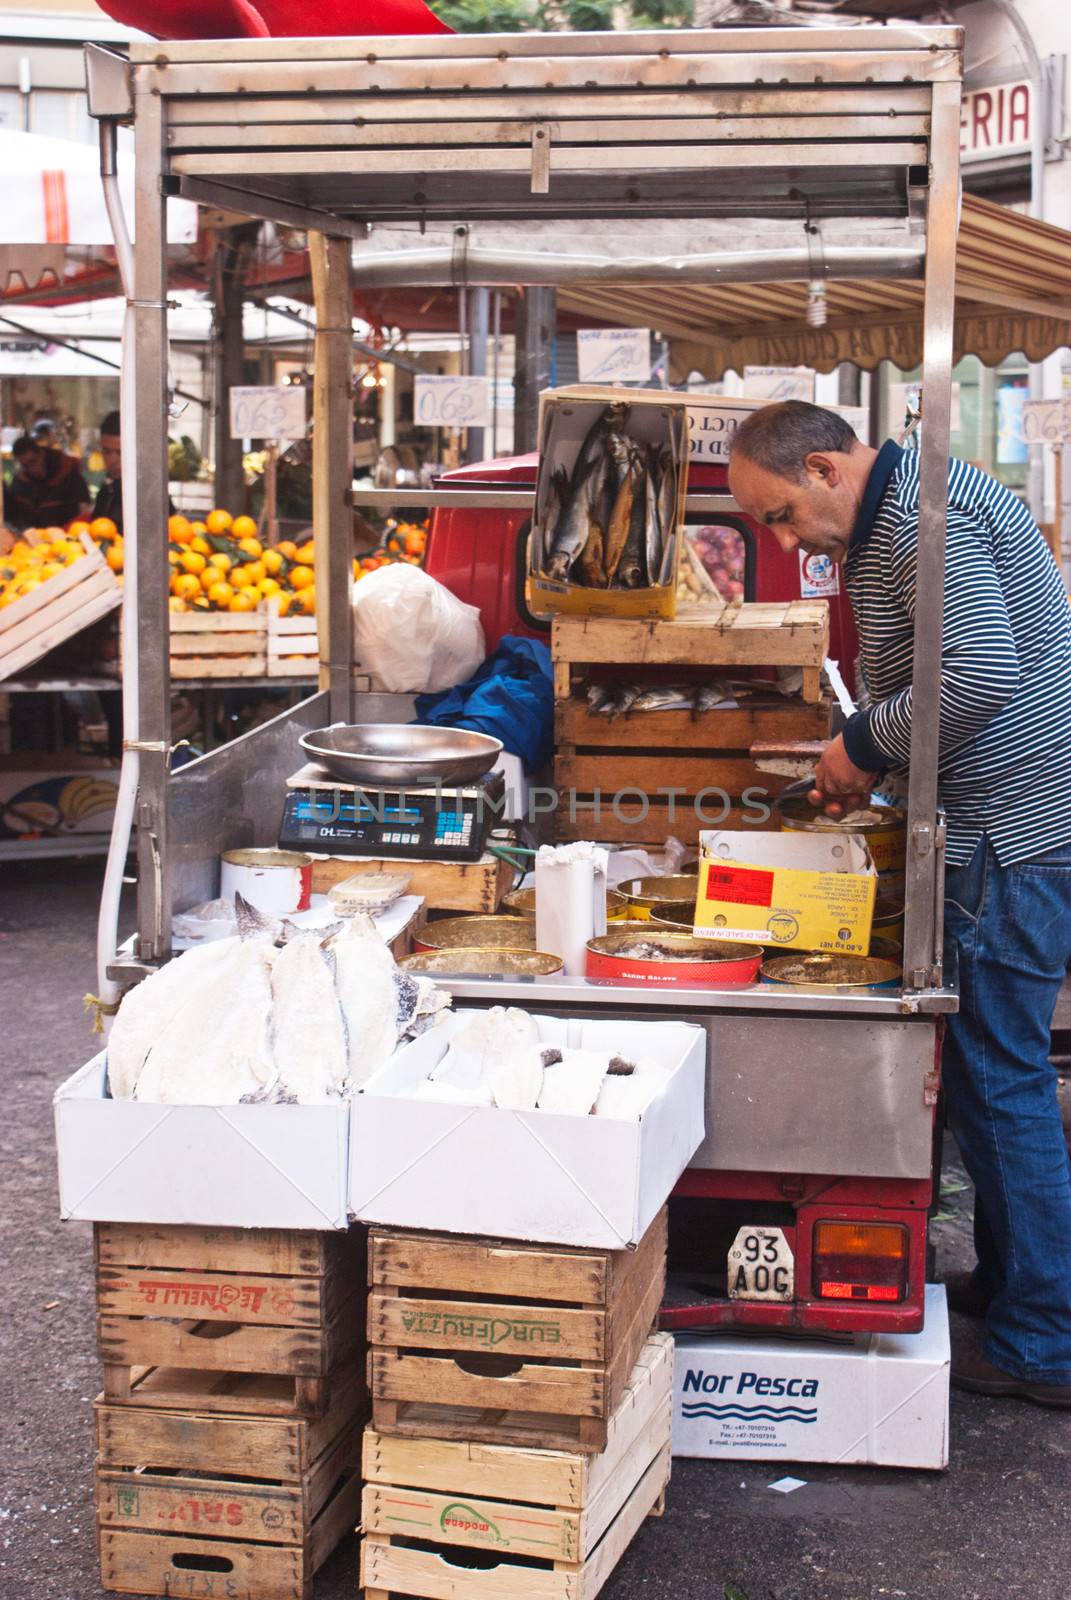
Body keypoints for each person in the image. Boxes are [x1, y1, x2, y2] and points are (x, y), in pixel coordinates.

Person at [728, 400, 1071, 1410]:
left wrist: (863, 744)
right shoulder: (895, 518)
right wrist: (875, 760)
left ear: (830, 469)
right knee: (985, 1081)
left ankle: (1045, 1338)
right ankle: (1020, 1292)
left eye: (781, 515)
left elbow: (979, 674)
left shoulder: (931, 518)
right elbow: (932, 676)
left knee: (1001, 1081)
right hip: (1002, 820)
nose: (782, 541)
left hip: (1019, 830)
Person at [6, 433, 91, 531]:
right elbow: (13, 515)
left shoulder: (68, 473)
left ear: (41, 454)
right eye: (25, 466)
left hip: (66, 538)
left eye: (33, 461)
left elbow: (84, 511)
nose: (31, 469)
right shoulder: (20, 482)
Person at [92, 410, 124, 533]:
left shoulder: (148, 493)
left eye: (120, 453)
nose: (112, 460)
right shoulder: (107, 489)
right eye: (106, 451)